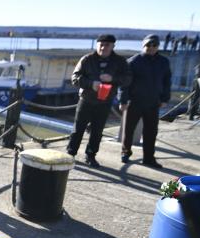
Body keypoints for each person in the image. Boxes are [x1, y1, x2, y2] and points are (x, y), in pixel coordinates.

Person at [66, 34, 132, 168]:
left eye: (107, 45)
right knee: (78, 129)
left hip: (105, 102)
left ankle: (91, 156)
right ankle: (70, 154)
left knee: (97, 131)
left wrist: (112, 78)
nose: (103, 47)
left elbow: (127, 79)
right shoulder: (87, 59)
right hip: (86, 99)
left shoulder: (119, 61)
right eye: (101, 44)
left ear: (113, 46)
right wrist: (91, 84)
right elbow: (74, 78)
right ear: (97, 45)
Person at [119, 34, 171, 169]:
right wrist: (123, 100)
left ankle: (148, 158)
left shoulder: (164, 62)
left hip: (153, 102)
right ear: (143, 45)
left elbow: (167, 82)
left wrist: (165, 98)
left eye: (154, 45)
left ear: (158, 46)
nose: (151, 47)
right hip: (134, 101)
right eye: (148, 45)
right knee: (128, 129)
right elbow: (125, 84)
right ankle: (125, 152)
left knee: (151, 132)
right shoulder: (133, 61)